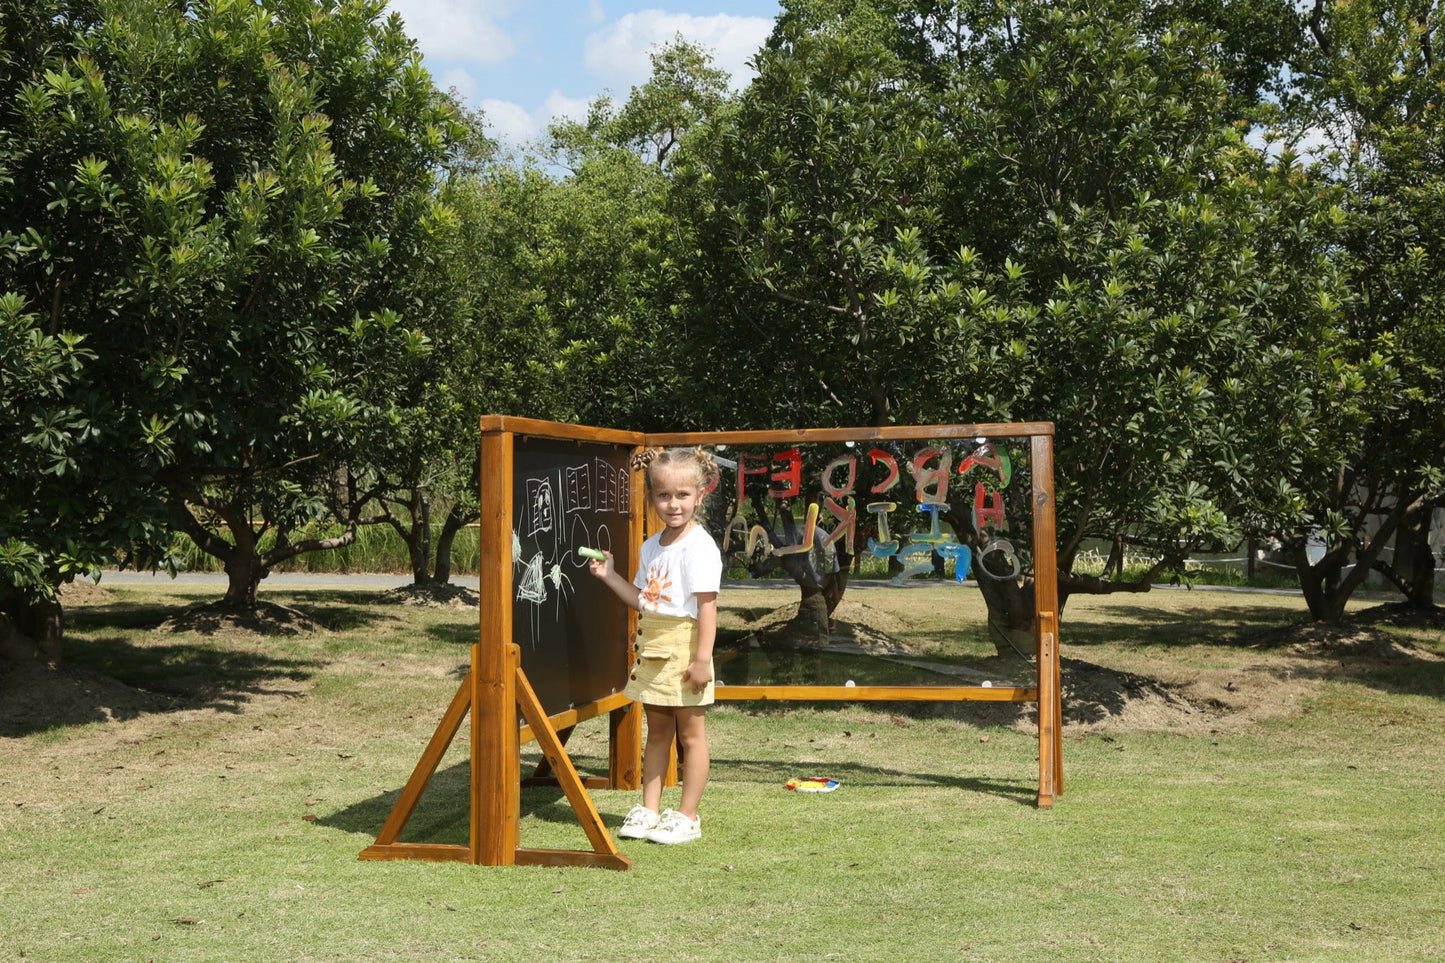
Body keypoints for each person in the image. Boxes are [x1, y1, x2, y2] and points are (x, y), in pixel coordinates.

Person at [588, 446, 722, 845]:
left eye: (683, 495)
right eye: (664, 495)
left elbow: (708, 609)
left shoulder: (700, 547)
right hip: (654, 645)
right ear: (652, 498)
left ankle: (687, 816)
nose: (673, 504)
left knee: (691, 735)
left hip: (686, 647)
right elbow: (644, 600)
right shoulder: (651, 547)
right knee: (658, 731)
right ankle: (649, 809)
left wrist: (702, 661)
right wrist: (610, 576)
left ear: (700, 495)